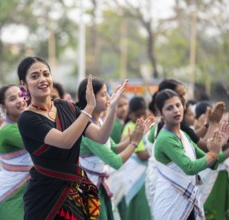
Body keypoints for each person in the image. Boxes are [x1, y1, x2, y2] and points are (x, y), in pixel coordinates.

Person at [17, 56, 128, 219]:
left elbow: (100, 136)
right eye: (34, 76)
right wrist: (89, 107)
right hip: (44, 197)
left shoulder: (66, 107)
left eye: (46, 74)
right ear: (24, 85)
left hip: (73, 193)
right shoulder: (27, 119)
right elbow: (65, 141)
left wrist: (112, 108)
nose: (42, 79)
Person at [76, 78, 154, 220]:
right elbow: (115, 161)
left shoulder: (98, 122)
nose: (108, 98)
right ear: (90, 98)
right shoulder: (87, 127)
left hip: (98, 186)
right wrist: (134, 143)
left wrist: (135, 136)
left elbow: (114, 148)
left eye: (108, 93)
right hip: (91, 189)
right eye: (103, 94)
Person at [152, 89, 228, 220]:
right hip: (171, 201)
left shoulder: (183, 135)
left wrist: (217, 146)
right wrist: (213, 153)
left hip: (186, 200)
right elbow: (190, 167)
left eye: (178, 105)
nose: (176, 110)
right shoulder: (165, 139)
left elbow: (206, 158)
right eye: (169, 108)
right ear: (160, 113)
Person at [0, 84, 32, 220]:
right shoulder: (8, 130)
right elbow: (40, 143)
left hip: (27, 192)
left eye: (21, 96)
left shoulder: (22, 124)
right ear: (3, 106)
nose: (20, 100)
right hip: (11, 195)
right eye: (12, 98)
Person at [120, 96, 151, 220]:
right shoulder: (132, 127)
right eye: (138, 115)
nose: (142, 118)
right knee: (140, 209)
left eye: (144, 113)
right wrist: (158, 151)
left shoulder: (143, 127)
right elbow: (142, 155)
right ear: (131, 115)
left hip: (144, 175)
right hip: (137, 176)